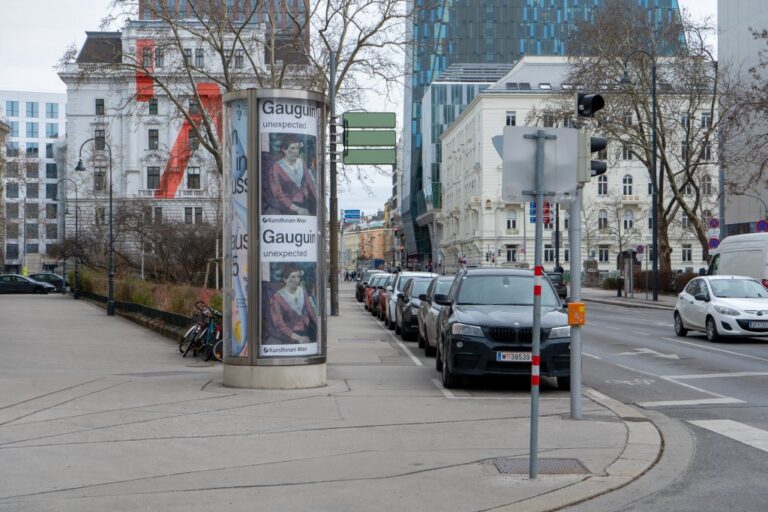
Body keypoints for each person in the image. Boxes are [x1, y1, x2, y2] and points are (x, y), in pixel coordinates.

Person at [264, 134, 317, 215]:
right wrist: (297, 209)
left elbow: (309, 182)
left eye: (297, 148)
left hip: (305, 202)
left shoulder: (301, 162)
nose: (296, 151)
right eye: (292, 148)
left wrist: (316, 199)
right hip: (287, 207)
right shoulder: (277, 167)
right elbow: (278, 193)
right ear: (284, 150)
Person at [268, 263, 318, 344]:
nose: (297, 280)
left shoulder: (302, 291)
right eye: (293, 277)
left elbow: (311, 311)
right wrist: (298, 338)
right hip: (289, 335)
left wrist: (318, 327)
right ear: (285, 279)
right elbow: (279, 323)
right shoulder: (277, 297)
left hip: (306, 329)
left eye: (298, 276)